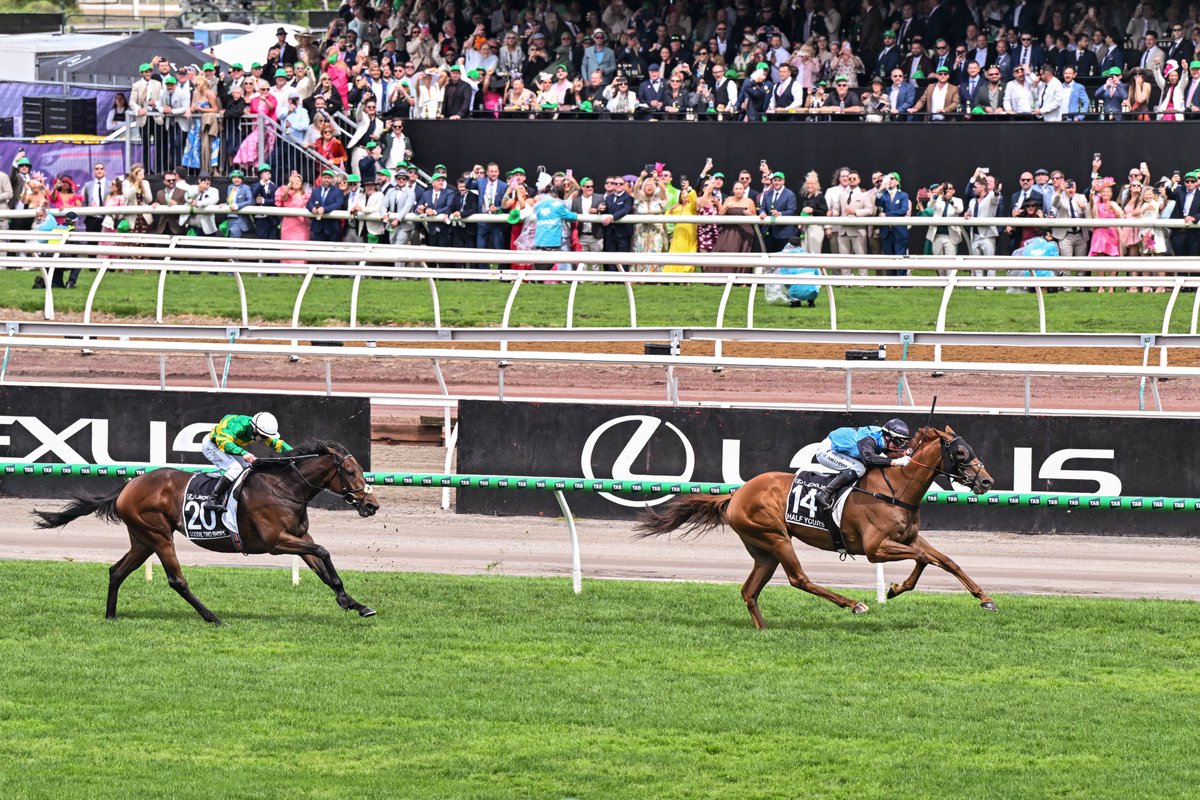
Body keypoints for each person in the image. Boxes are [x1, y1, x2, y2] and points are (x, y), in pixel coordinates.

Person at [200, 411, 294, 510]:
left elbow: (277, 443)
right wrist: (243, 453)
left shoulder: (258, 427)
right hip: (213, 445)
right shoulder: (238, 425)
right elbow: (223, 442)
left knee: (250, 467)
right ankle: (211, 500)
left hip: (227, 445)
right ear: (255, 430)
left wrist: (296, 454)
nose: (265, 439)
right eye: (263, 436)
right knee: (235, 469)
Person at [812, 418, 913, 510]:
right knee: (859, 468)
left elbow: (887, 451)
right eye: (898, 442)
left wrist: (904, 453)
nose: (899, 445)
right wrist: (896, 462)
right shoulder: (869, 439)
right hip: (828, 451)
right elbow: (869, 459)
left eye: (902, 443)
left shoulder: (882, 437)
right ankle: (825, 493)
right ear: (887, 437)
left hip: (841, 450)